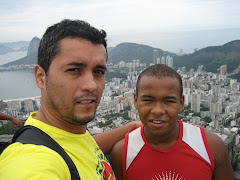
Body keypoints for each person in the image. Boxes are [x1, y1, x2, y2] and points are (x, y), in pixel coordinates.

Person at [0, 19, 141, 180]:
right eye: (74, 70)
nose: (91, 85)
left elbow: (82, 148)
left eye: (99, 72)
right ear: (41, 77)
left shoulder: (68, 131)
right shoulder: (30, 161)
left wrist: (132, 127)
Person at [110, 64, 235, 180]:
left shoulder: (211, 146)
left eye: (168, 101)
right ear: (135, 101)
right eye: (148, 100)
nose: (158, 110)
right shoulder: (122, 153)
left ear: (181, 103)